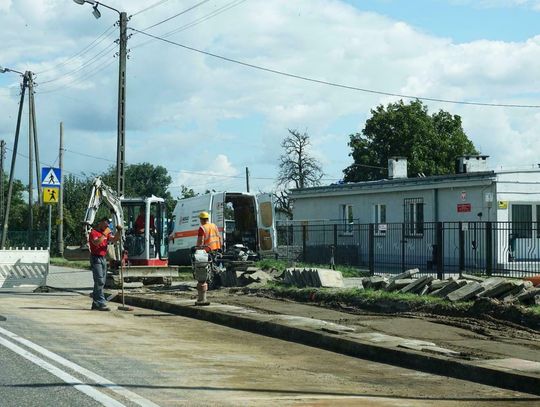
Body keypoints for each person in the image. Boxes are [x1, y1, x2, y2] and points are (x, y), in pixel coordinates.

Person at [89, 216, 122, 311]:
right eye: (106, 224)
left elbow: (115, 239)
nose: (107, 226)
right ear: (101, 222)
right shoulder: (94, 232)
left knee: (101, 281)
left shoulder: (105, 233)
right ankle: (100, 302)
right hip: (95, 258)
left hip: (103, 258)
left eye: (108, 224)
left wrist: (119, 231)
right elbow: (96, 243)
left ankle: (96, 303)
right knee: (99, 280)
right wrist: (104, 234)